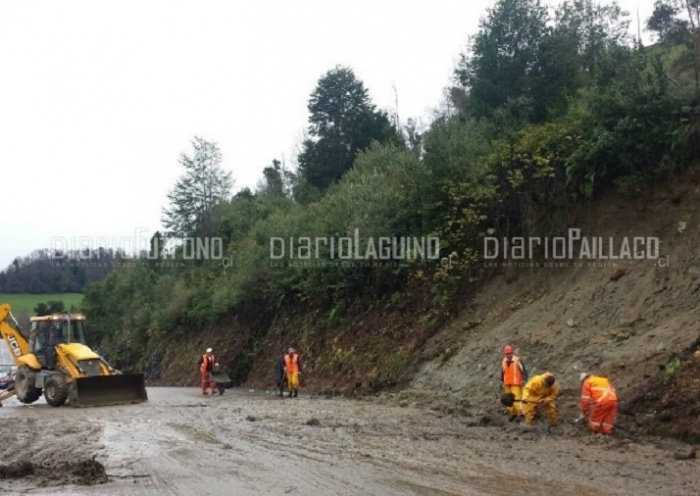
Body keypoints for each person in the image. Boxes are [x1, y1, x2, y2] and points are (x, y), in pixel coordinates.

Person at [501, 345, 528, 420]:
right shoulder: (504, 361)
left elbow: (524, 371)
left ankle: (521, 415)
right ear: (505, 354)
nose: (508, 355)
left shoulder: (517, 360)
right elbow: (503, 372)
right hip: (507, 384)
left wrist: (524, 379)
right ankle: (513, 414)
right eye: (507, 354)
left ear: (512, 352)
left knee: (517, 400)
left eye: (509, 353)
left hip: (516, 384)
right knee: (509, 401)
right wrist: (502, 381)